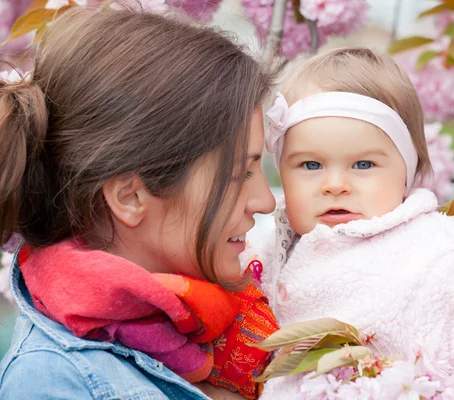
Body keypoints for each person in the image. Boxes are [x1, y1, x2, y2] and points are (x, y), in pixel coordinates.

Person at [0, 6, 278, 399]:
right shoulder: (55, 382)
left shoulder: (218, 313)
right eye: (237, 175)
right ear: (130, 197)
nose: (264, 201)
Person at [256, 48, 454, 399]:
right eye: (310, 165)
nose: (334, 184)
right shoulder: (267, 249)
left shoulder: (435, 251)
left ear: (407, 173)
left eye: (363, 165)